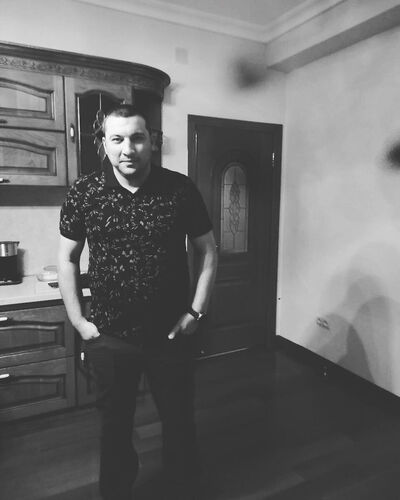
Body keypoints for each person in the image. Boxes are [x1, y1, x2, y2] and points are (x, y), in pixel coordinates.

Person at [57, 104, 218, 500]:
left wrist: (195, 312)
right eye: (117, 139)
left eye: (137, 138)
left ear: (152, 141)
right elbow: (67, 258)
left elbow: (208, 250)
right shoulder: (85, 192)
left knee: (179, 420)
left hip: (171, 333)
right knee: (114, 427)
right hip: (110, 335)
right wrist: (78, 321)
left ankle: (184, 488)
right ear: (103, 143)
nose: (127, 149)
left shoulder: (180, 189)